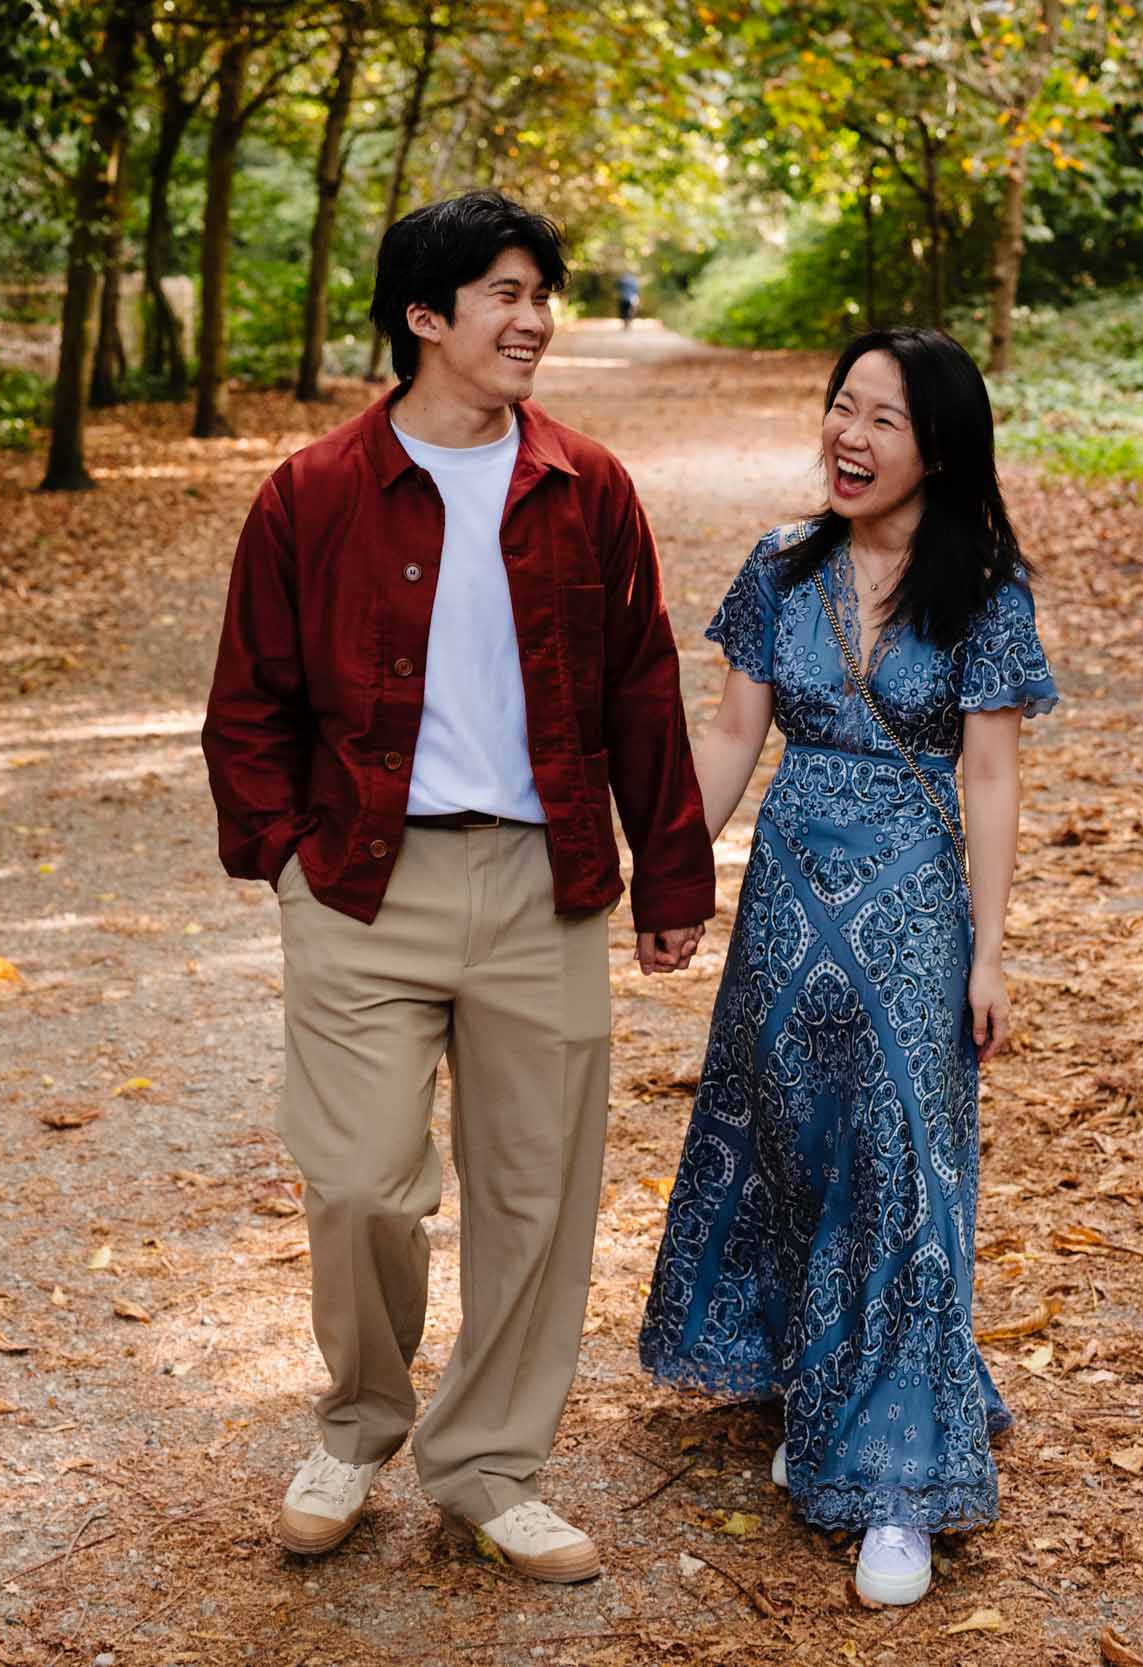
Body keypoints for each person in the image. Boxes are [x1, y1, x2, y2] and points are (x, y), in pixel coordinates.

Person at [202, 190, 716, 1583]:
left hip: (543, 880)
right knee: (362, 1179)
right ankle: (358, 1422)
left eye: (541, 291)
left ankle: (490, 1461)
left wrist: (669, 864)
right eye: (503, 292)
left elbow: (641, 683)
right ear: (424, 316)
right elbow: (248, 695)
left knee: (535, 1192)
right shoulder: (313, 491)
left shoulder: (586, 485)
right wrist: (286, 859)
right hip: (368, 882)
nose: (535, 317)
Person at [636, 326, 1057, 1606]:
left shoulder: (981, 589)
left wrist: (989, 952)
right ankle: (819, 1388)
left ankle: (893, 1477)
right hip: (784, 920)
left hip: (915, 921)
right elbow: (730, 737)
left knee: (902, 1177)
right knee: (795, 1152)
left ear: (939, 445)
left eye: (881, 417)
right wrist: (663, 871)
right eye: (838, 408)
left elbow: (990, 774)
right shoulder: (779, 567)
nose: (849, 436)